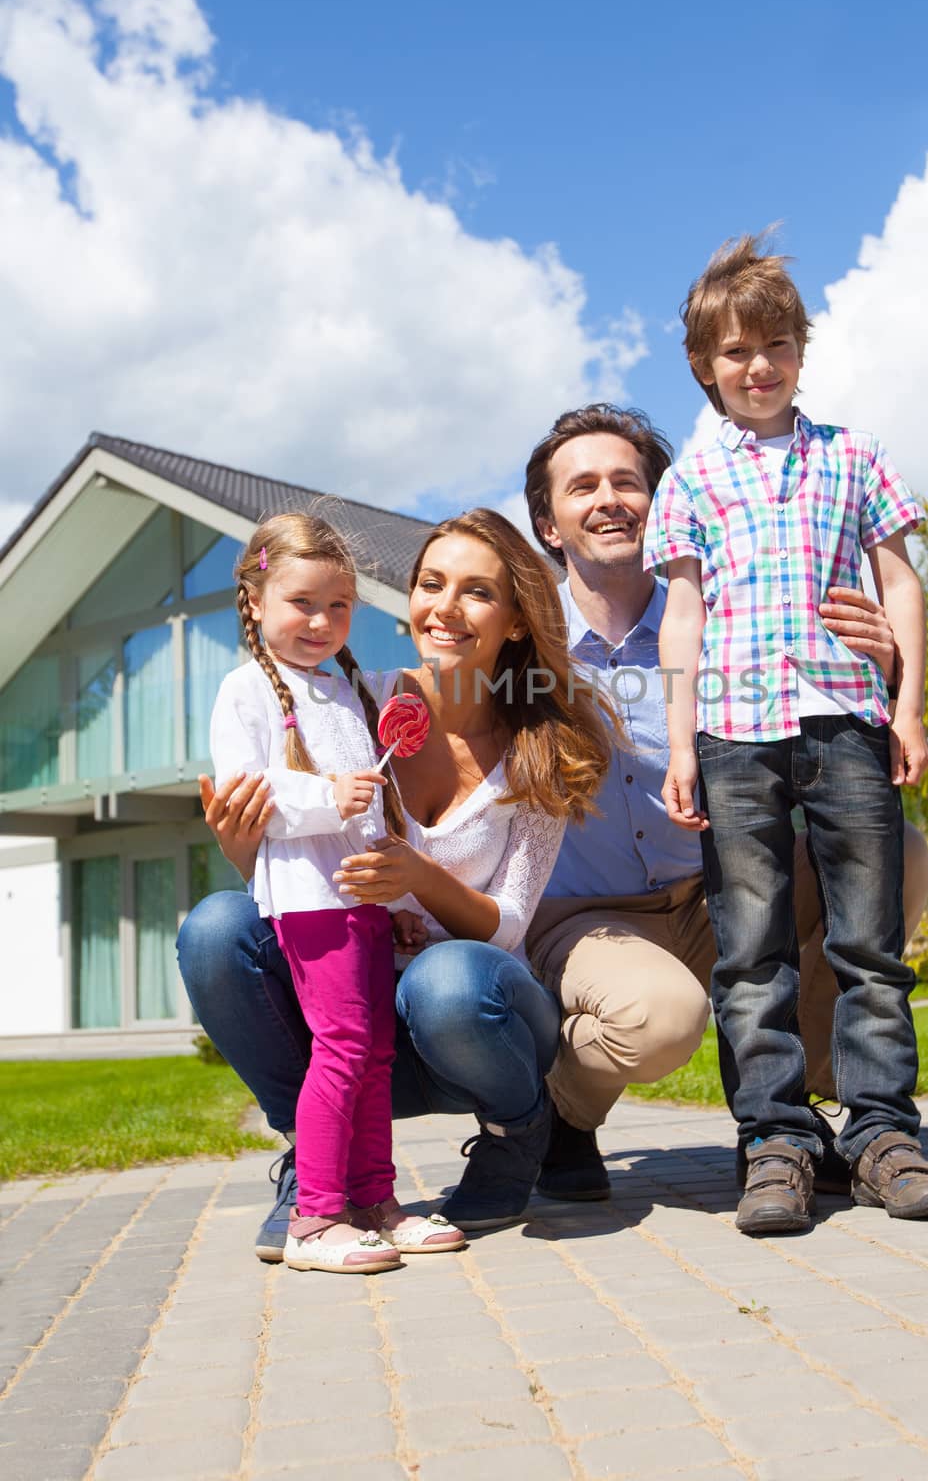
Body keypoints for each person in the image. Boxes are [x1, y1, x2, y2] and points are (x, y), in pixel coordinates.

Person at [521, 402, 928, 1205]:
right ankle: (560, 1115)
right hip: (592, 918)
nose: (609, 498)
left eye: (627, 481)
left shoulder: (726, 624)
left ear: (663, 503)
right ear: (548, 523)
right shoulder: (520, 646)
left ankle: (809, 1107)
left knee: (901, 857)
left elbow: (828, 732)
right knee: (660, 1016)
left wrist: (883, 660)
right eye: (582, 487)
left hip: (725, 887)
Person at [179, 508, 613, 1245]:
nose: (443, 608)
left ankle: (520, 1132)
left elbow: (508, 923)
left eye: (475, 591)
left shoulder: (541, 749)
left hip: (470, 1024)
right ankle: (319, 1167)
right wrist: (242, 847)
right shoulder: (350, 701)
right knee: (216, 927)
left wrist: (419, 877)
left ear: (515, 620)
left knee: (445, 978)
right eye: (430, 583)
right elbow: (299, 857)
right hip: (353, 989)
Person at [644, 233, 928, 1234]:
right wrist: (684, 746)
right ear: (705, 366)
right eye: (736, 351)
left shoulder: (851, 456)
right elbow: (682, 619)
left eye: (775, 344)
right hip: (735, 739)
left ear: (799, 350)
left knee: (868, 941)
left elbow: (900, 583)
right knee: (749, 952)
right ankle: (773, 1143)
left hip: (845, 727)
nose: (757, 365)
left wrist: (904, 705)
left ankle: (879, 1136)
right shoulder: (690, 481)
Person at [212, 512, 464, 1273]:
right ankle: (315, 1219)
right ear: (254, 600)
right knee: (345, 1048)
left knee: (375, 1053)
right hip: (307, 901)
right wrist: (329, 794)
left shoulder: (343, 688)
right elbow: (245, 793)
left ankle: (375, 1203)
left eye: (338, 605)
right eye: (301, 602)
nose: (321, 621)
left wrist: (403, 904)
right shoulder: (245, 690)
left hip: (359, 903)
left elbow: (377, 813)